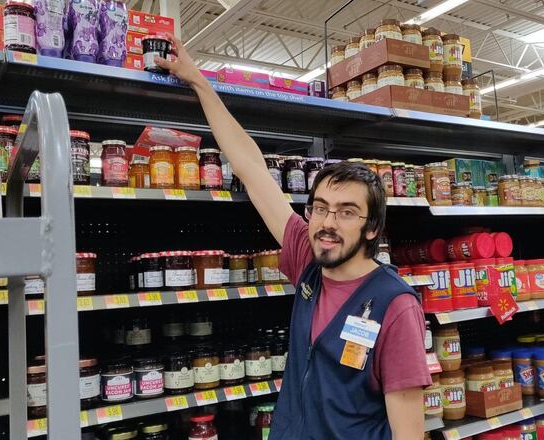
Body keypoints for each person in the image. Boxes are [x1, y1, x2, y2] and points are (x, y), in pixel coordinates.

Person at [155, 37, 430, 440]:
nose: (328, 222)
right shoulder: (308, 259)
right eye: (320, 207)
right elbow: (251, 167)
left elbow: (408, 433)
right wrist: (199, 81)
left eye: (347, 212)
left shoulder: (396, 306)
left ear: (373, 228)